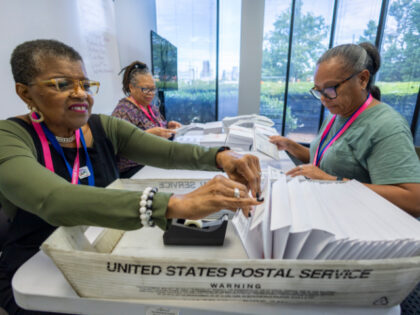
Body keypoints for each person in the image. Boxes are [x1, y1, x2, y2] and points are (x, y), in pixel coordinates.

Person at [0, 39, 262, 314]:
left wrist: (221, 157)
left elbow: (169, 153)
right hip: (39, 271)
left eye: (86, 85)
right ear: (25, 93)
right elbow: (54, 200)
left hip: (101, 253)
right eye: (62, 84)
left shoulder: (104, 126)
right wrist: (174, 205)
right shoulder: (9, 138)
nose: (80, 94)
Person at [270, 42, 420, 217]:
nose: (324, 99)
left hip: (360, 224)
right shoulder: (337, 114)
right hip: (328, 210)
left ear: (363, 79)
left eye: (330, 88)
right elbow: (328, 161)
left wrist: (333, 182)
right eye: (318, 91)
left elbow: (414, 201)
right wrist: (292, 146)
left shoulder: (386, 126)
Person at [112, 61, 182, 178]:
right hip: (134, 170)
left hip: (154, 162)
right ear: (131, 87)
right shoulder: (123, 111)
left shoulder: (151, 107)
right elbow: (118, 146)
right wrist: (147, 135)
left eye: (153, 89)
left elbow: (159, 125)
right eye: (146, 89)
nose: (151, 94)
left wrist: (168, 125)